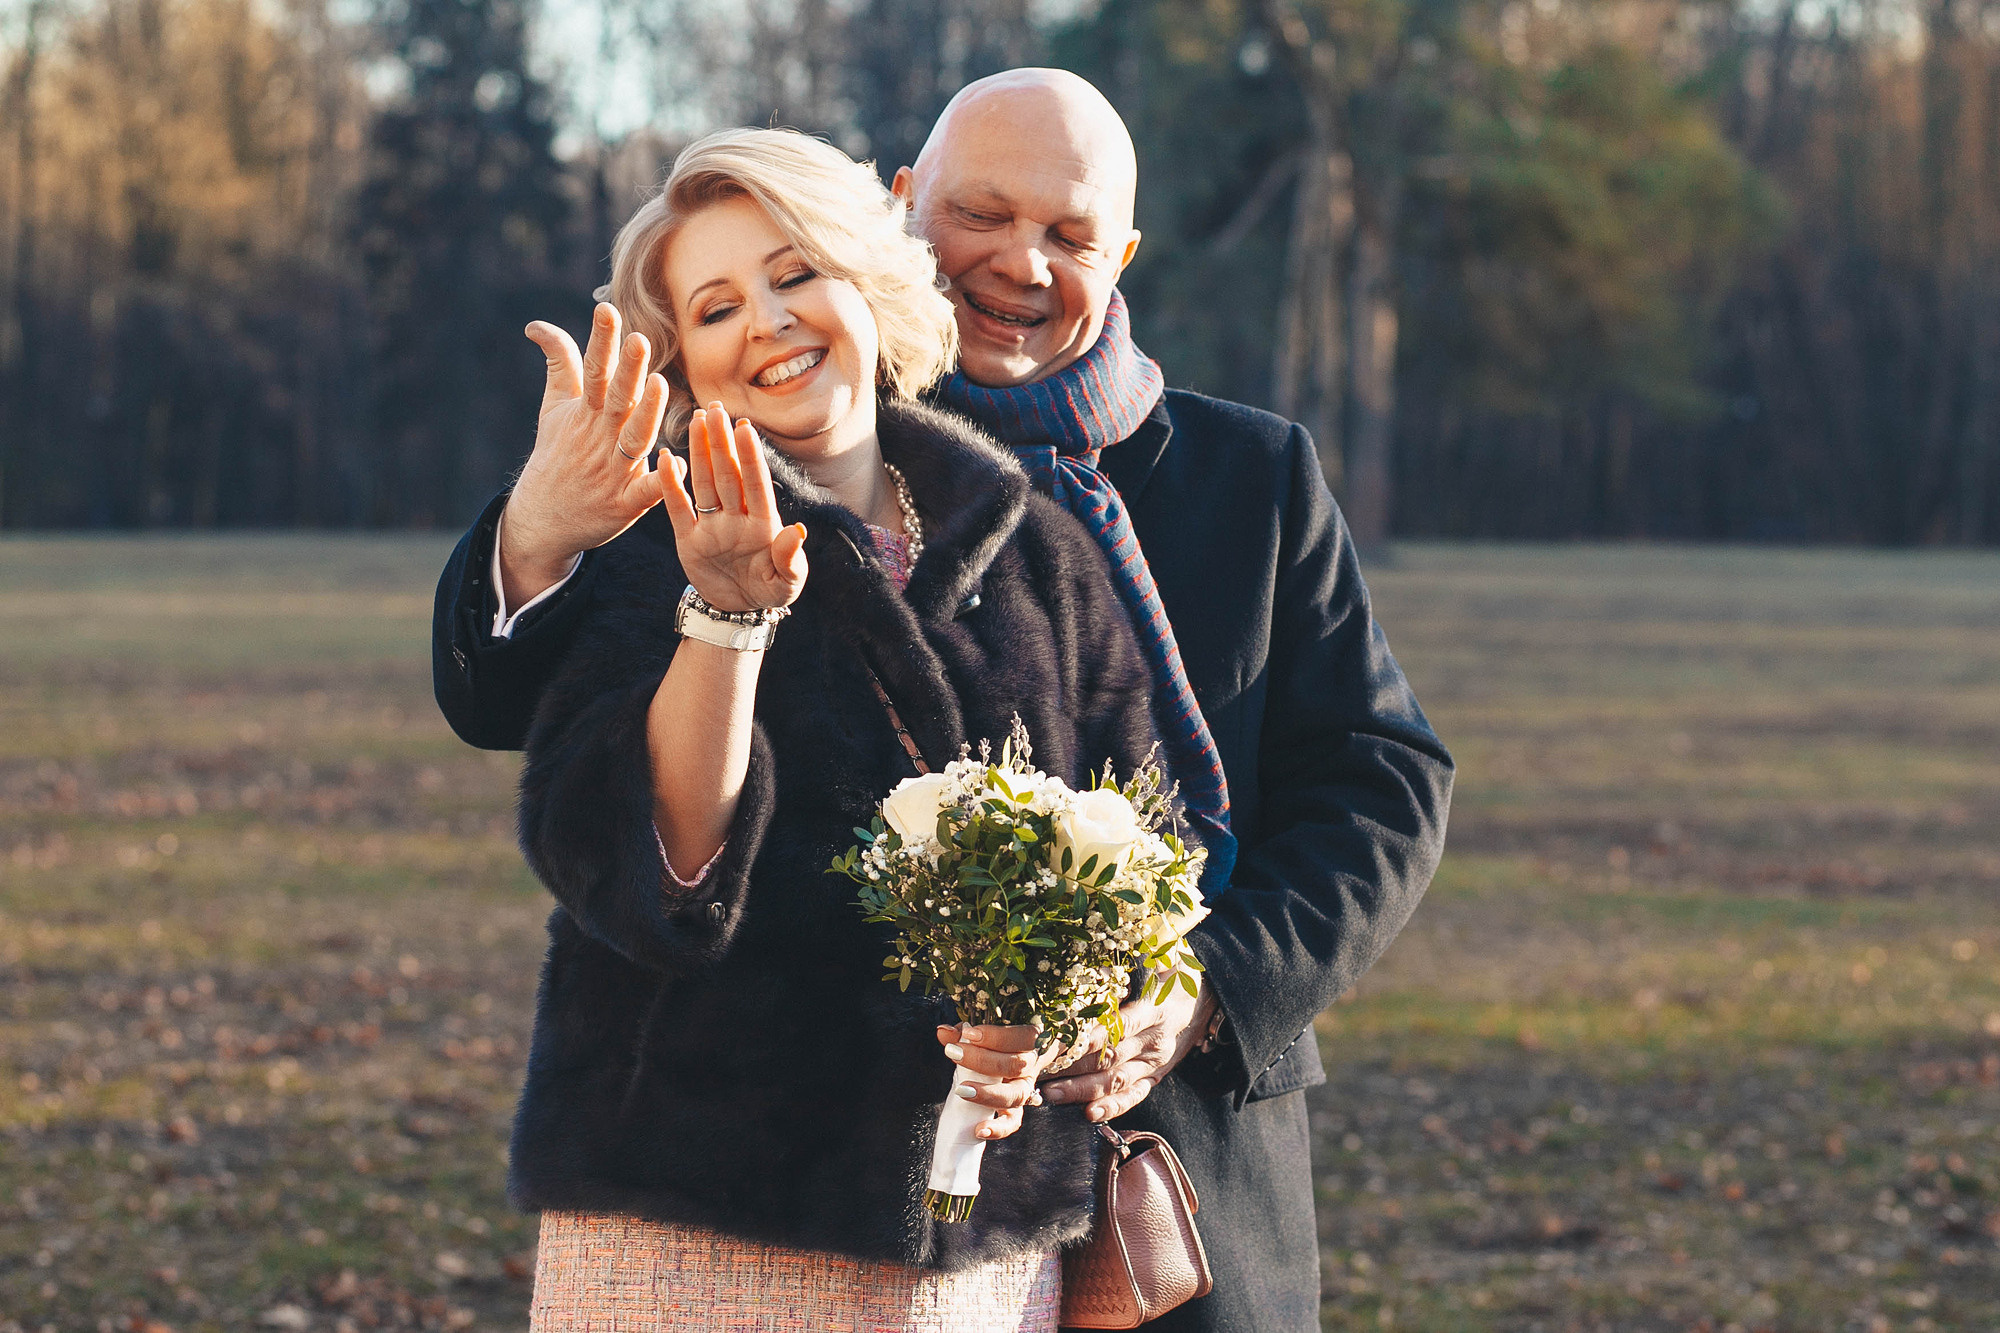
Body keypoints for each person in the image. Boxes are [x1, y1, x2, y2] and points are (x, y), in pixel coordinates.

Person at [434, 73, 1454, 1331]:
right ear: (901, 209)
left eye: (1069, 236)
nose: (1020, 262)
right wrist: (541, 536)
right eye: (981, 213)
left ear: (1121, 255)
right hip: (776, 1200)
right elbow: (543, 731)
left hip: (1170, 1181)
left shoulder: (1249, 477)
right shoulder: (732, 453)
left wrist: (1196, 991)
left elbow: (1379, 781)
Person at [499, 126, 1211, 1328]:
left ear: (867, 281)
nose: (768, 324)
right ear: (684, 361)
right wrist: (724, 615)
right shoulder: (635, 537)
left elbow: (1152, 848)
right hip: (698, 1223)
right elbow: (645, 872)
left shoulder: (1037, 543)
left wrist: (1104, 1013)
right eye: (716, 308)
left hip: (986, 1239)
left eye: (793, 275)